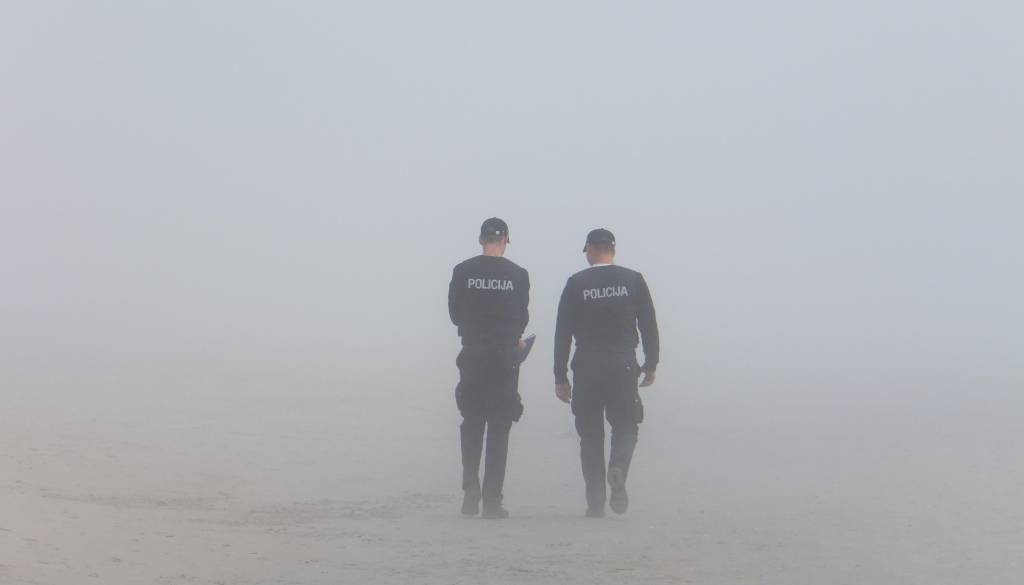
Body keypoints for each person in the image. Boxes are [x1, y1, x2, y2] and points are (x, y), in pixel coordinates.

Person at [553, 228, 660, 517]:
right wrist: (651, 363)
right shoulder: (632, 280)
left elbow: (562, 332)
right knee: (626, 425)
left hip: (587, 366)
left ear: (589, 249)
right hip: (622, 365)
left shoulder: (576, 283)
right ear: (613, 250)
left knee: (590, 436)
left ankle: (595, 502)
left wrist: (560, 376)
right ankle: (618, 467)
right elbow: (648, 324)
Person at [448, 217, 530, 519]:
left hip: (472, 355)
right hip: (505, 359)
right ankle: (492, 500)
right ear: (505, 240)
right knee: (499, 427)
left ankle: (470, 487)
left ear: (481, 239)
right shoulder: (518, 275)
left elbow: (454, 314)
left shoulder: (462, 271)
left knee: (472, 422)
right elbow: (522, 316)